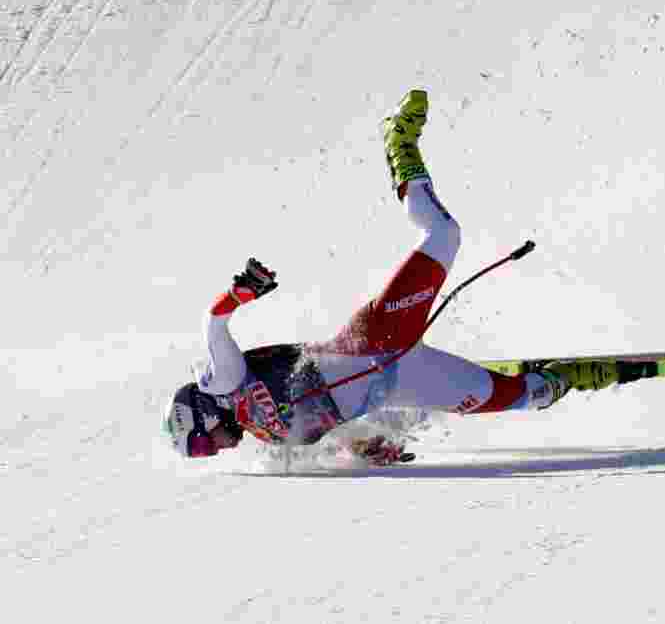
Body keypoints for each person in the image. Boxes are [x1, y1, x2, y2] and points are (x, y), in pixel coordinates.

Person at [163, 90, 618, 462]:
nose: (215, 451)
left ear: (202, 414)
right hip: (402, 383)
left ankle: (399, 144)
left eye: (203, 444)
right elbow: (331, 433)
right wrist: (367, 450)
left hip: (377, 339)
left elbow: (213, 323)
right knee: (523, 397)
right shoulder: (268, 436)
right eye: (205, 454)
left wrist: (238, 294)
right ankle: (573, 376)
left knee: (445, 233)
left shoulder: (223, 382)